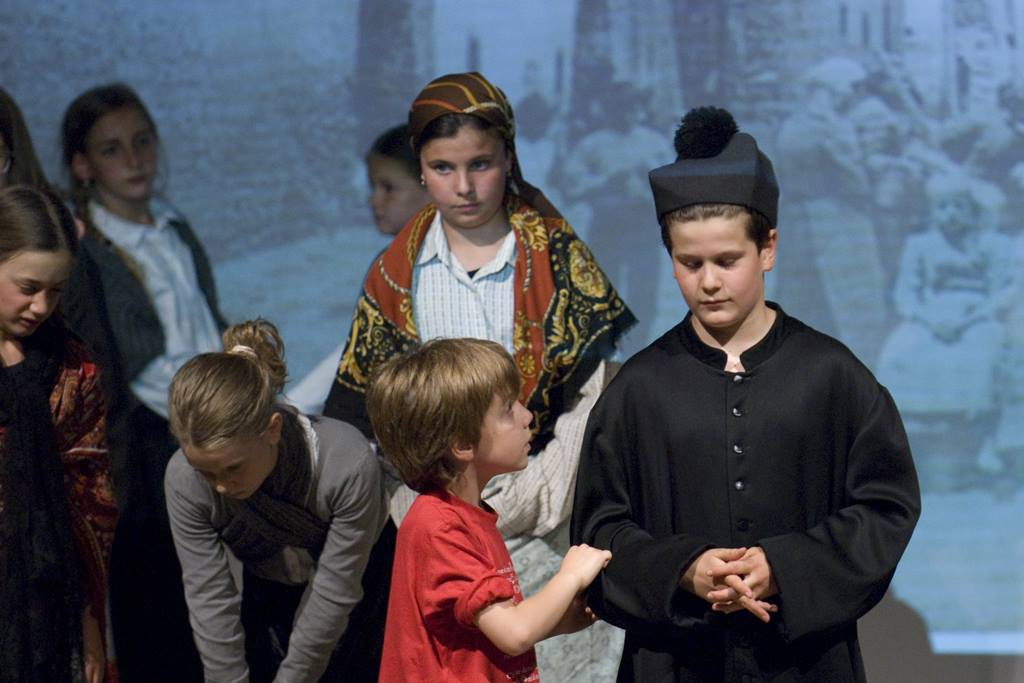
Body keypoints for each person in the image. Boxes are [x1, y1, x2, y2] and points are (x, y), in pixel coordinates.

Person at [571, 107, 921, 682]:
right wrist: (682, 569)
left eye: (727, 260)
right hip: (676, 663)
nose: (709, 281)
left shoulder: (831, 375)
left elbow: (886, 507)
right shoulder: (640, 387)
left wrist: (784, 566)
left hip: (805, 664)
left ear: (768, 248)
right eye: (690, 263)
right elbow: (597, 531)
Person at [324, 71, 635, 677]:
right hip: (444, 517)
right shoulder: (396, 273)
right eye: (443, 168)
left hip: (547, 514)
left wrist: (541, 489)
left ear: (509, 158)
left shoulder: (556, 255)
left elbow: (592, 387)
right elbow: (374, 406)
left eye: (480, 165)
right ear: (421, 169)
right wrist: (420, 497)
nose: (463, 187)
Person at [61, 82, 226, 681]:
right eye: (112, 149)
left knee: (218, 603)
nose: (133, 159)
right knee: (161, 608)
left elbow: (205, 321)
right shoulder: (90, 250)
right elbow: (121, 361)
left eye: (142, 141)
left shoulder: (173, 228)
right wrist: (206, 410)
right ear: (83, 166)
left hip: (209, 425)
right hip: (150, 444)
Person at [366, 337, 611, 682]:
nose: (527, 416)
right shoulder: (437, 526)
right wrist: (570, 576)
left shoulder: (469, 515)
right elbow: (514, 633)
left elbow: (487, 632)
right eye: (508, 409)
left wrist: (556, 622)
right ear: (462, 444)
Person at [164, 318, 388, 682]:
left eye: (233, 468)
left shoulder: (346, 463)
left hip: (363, 593)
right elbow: (209, 597)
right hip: (270, 593)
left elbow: (334, 591)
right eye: (205, 472)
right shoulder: (184, 479)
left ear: (273, 429)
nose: (221, 487)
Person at [0, 185, 118, 683]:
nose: (41, 305)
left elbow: (90, 504)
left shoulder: (74, 368)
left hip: (49, 611)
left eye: (56, 290)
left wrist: (88, 619)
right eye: (29, 287)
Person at [287, 123, 428, 414]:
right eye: (373, 187)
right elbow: (364, 351)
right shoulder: (388, 265)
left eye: (389, 188)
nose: (374, 200)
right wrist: (295, 406)